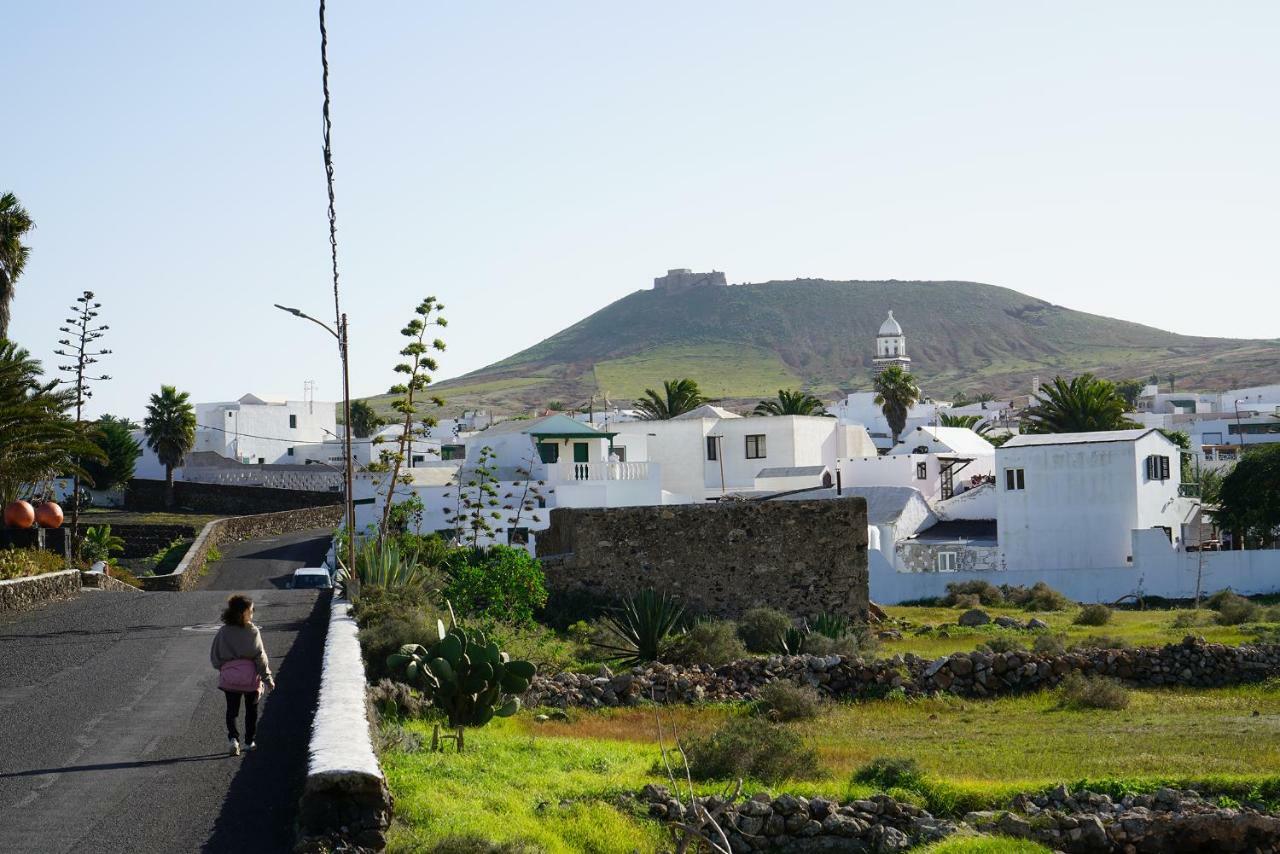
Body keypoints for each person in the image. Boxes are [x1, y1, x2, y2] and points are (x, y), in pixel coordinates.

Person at [210, 594, 275, 756]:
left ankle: (233, 739)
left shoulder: (224, 632)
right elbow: (260, 657)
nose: (252, 613)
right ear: (244, 612)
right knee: (251, 710)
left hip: (230, 677)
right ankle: (249, 741)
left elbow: (215, 656)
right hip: (250, 678)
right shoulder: (252, 632)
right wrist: (267, 679)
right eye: (251, 610)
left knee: (232, 710)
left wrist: (225, 668)